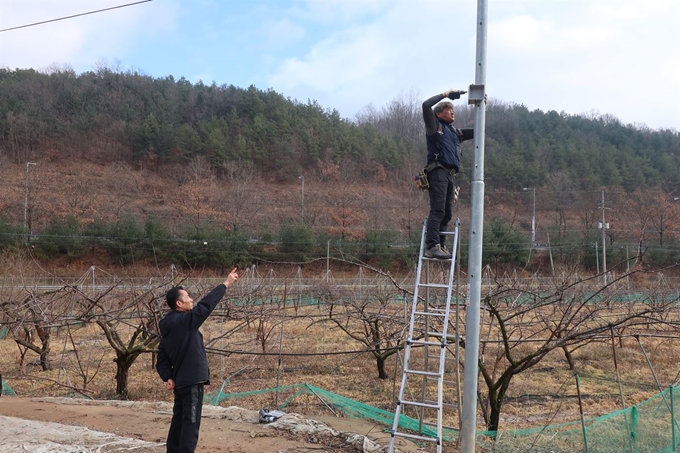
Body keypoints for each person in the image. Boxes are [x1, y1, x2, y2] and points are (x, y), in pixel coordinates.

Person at [156, 268, 239, 453]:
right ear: (179, 303)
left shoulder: (169, 326)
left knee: (179, 420)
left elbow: (161, 359)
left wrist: (167, 377)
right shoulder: (185, 322)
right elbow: (205, 306)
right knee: (190, 424)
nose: (191, 299)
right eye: (188, 297)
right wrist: (225, 284)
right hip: (192, 381)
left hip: (180, 382)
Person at [422, 89, 474, 259]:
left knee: (447, 213)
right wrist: (445, 95)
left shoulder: (454, 132)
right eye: (448, 109)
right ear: (438, 114)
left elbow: (477, 131)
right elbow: (425, 105)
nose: (452, 112)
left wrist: (482, 106)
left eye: (453, 110)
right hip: (438, 172)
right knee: (437, 210)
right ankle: (432, 246)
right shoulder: (435, 127)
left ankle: (441, 244)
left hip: (450, 175)